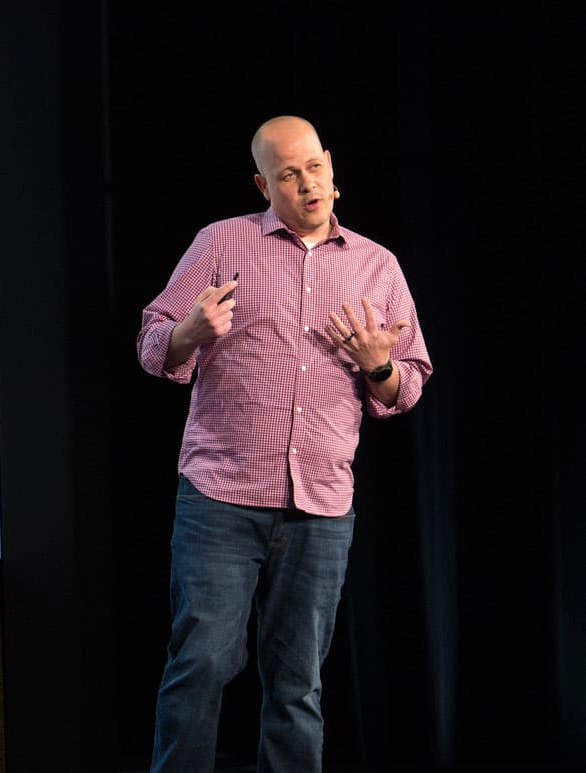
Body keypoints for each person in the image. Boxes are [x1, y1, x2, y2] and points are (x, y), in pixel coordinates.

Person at [136, 115, 432, 772]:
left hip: (319, 505)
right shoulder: (221, 243)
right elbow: (153, 341)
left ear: (331, 167)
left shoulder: (376, 265)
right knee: (200, 665)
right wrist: (188, 333)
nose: (307, 184)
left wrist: (379, 366)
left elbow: (406, 385)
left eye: (314, 168)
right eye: (289, 174)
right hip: (221, 496)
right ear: (262, 184)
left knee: (298, 684)